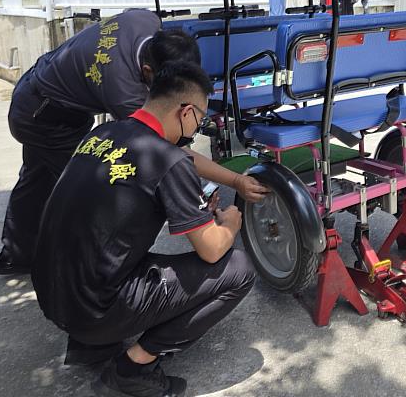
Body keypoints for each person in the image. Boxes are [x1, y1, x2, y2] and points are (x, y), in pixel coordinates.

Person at [31, 61, 256, 397]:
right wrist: (229, 224)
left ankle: (89, 346)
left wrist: (219, 187)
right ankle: (131, 369)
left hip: (53, 295)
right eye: (201, 118)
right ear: (186, 111)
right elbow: (211, 248)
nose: (199, 126)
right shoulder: (170, 160)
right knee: (238, 269)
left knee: (104, 244)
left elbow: (129, 198)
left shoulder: (103, 134)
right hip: (93, 311)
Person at [0, 8, 267, 275]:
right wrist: (229, 183)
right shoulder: (123, 91)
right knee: (83, 192)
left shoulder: (144, 19)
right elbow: (170, 152)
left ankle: (16, 256)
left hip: (42, 88)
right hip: (43, 113)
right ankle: (81, 272)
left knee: (36, 180)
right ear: (149, 72)